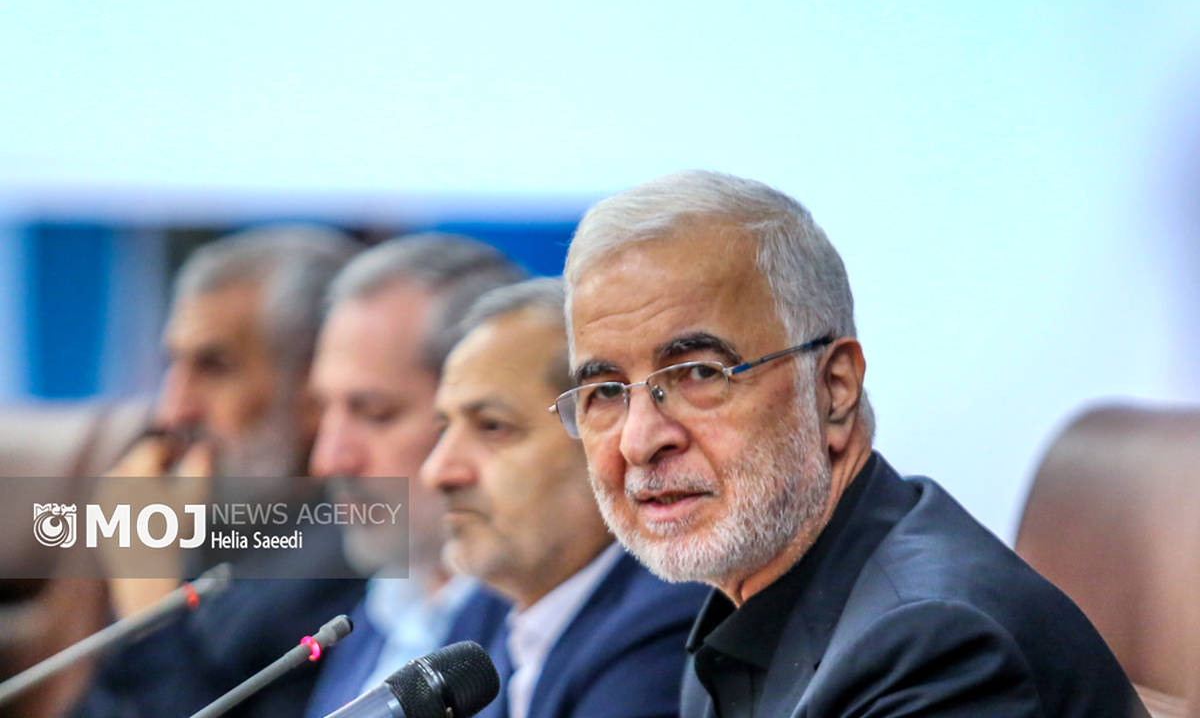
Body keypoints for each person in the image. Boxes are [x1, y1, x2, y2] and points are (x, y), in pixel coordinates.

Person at [559, 171, 1149, 717]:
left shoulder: (935, 648)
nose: (640, 441)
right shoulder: (734, 629)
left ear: (834, 389)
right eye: (605, 392)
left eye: (700, 373)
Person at [70, 225, 366, 718]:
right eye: (173, 364)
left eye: (213, 366)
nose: (173, 410)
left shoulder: (355, 557)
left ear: (315, 386)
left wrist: (150, 614)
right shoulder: (202, 518)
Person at [420, 277, 709, 718]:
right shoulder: (482, 615)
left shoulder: (664, 624)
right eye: (444, 428)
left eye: (492, 426)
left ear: (606, 432)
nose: (438, 472)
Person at [302, 233, 525, 717]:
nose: (329, 459)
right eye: (323, 411)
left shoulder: (538, 626)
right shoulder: (374, 609)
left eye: (375, 413)